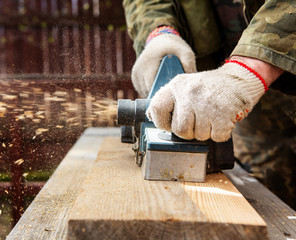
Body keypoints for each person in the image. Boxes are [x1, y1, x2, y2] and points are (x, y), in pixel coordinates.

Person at [123, 0, 296, 209]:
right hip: (214, 81)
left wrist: (250, 66)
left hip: (273, 68)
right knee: (268, 180)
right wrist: (158, 32)